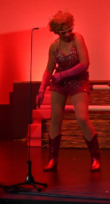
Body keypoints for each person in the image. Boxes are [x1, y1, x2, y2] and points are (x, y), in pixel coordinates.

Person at [36, 11, 100, 172]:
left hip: (78, 80)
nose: (68, 34)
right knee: (56, 119)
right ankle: (53, 158)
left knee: (82, 118)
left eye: (70, 29)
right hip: (60, 82)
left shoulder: (77, 39)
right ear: (57, 32)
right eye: (63, 32)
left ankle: (95, 157)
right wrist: (42, 88)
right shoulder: (54, 46)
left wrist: (62, 75)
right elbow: (49, 69)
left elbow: (84, 63)